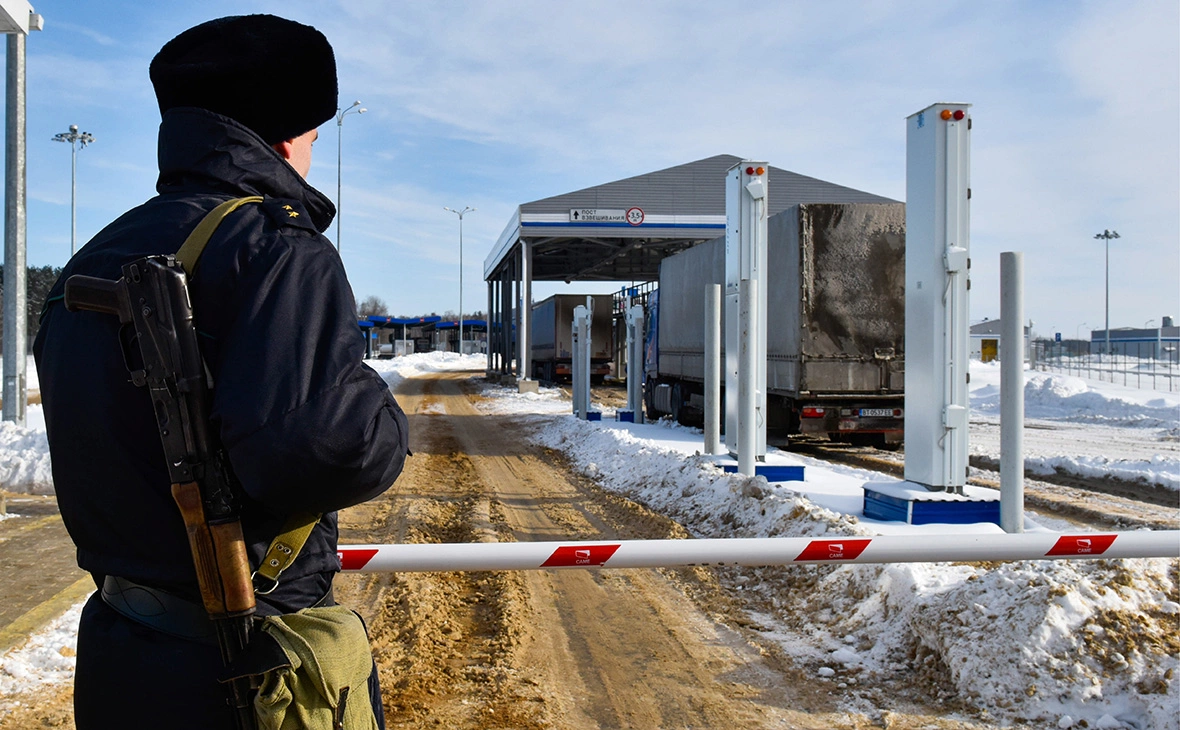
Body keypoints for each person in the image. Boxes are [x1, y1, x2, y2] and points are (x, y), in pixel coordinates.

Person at [33, 14, 409, 729]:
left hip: (122, 652)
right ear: (283, 132)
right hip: (249, 670)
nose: (312, 150)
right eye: (313, 131)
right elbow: (323, 451)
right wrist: (382, 415)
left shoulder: (93, 257)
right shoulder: (276, 247)